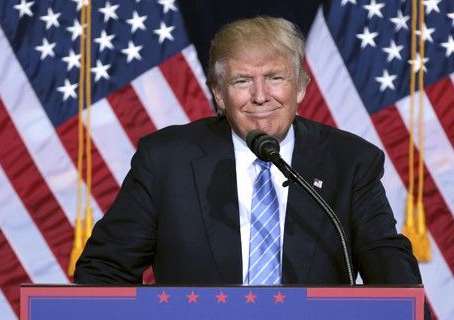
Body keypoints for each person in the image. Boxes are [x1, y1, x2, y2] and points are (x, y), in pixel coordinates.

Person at [75, 16, 424, 290]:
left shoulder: (349, 162)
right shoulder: (167, 160)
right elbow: (105, 270)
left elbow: (390, 272)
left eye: (275, 77)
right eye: (242, 81)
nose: (260, 96)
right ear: (219, 94)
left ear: (301, 87)